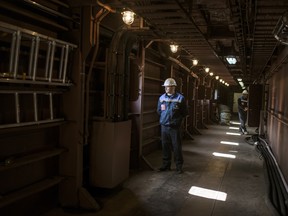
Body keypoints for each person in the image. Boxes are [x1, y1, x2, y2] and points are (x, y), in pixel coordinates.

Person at [157, 78, 187, 174]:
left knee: (176, 147)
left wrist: (177, 121)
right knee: (165, 146)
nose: (166, 88)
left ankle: (179, 166)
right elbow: (159, 111)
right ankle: (166, 165)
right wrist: (164, 119)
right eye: (165, 86)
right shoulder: (161, 98)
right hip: (164, 126)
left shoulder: (180, 98)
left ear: (173, 87)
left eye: (168, 86)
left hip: (175, 128)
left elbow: (184, 112)